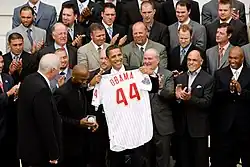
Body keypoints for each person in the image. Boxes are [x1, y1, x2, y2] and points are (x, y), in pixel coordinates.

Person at [92, 44, 159, 167]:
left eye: (119, 55)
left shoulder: (135, 71)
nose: (117, 59)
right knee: (116, 162)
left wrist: (152, 74)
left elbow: (154, 88)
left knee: (138, 161)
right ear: (108, 59)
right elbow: (96, 104)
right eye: (113, 56)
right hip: (117, 129)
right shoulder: (103, 78)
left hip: (136, 126)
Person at [17, 53, 62, 167]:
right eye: (59, 69)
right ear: (52, 70)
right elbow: (46, 124)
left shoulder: (29, 79)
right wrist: (53, 153)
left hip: (27, 147)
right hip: (39, 153)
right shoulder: (42, 90)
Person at [175, 50, 214, 167]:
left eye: (194, 60)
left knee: (200, 161)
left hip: (199, 129)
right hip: (182, 129)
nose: (191, 63)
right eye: (189, 60)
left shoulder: (208, 79)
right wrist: (177, 98)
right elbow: (175, 105)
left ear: (201, 61)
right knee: (184, 161)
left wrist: (190, 98)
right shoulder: (180, 78)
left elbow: (207, 102)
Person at [54, 64, 98, 167]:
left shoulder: (81, 88)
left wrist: (91, 120)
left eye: (86, 79)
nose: (85, 82)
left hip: (84, 141)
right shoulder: (62, 93)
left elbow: (85, 108)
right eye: (82, 80)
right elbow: (58, 117)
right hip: (69, 143)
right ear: (74, 77)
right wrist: (78, 123)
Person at [212, 46, 250, 167]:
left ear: (242, 59)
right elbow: (215, 97)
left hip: (245, 127)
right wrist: (229, 90)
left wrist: (240, 91)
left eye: (235, 58)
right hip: (225, 127)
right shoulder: (220, 74)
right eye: (230, 58)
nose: (232, 61)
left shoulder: (249, 74)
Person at [143, 48, 175, 167]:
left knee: (163, 159)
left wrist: (160, 87)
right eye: (145, 58)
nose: (147, 61)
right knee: (146, 159)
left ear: (157, 60)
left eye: (150, 58)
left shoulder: (167, 74)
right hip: (144, 125)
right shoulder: (139, 74)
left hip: (162, 125)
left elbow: (170, 95)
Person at [0, 55, 20, 167]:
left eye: (2, 62)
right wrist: (8, 94)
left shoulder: (7, 77)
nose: (1, 65)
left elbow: (12, 100)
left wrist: (16, 95)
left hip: (9, 128)